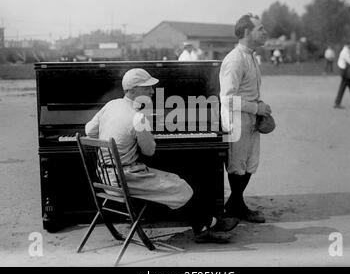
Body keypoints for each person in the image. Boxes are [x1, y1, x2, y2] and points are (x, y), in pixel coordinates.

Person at [85, 68, 238, 243]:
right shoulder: (138, 118)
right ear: (133, 90)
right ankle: (207, 225)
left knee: (173, 179)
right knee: (181, 186)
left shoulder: (111, 105)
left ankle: (203, 225)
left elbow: (89, 131)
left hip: (104, 177)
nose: (152, 91)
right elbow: (149, 151)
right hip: (125, 179)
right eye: (147, 87)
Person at [219, 13, 271, 223]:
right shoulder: (234, 59)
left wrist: (259, 108)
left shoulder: (251, 56)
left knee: (251, 163)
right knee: (237, 165)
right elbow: (227, 99)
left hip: (250, 118)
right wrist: (256, 108)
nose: (265, 32)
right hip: (236, 120)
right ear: (247, 32)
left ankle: (235, 205)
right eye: (260, 29)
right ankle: (237, 206)